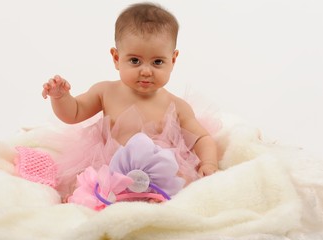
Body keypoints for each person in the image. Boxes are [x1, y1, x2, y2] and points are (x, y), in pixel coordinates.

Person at [42, 2, 219, 202]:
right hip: (111, 171)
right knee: (89, 182)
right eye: (135, 61)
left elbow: (202, 138)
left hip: (158, 177)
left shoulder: (176, 106)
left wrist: (209, 163)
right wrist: (61, 97)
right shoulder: (105, 91)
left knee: (181, 180)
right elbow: (73, 113)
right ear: (117, 58)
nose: (145, 70)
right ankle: (89, 198)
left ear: (173, 59)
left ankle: (157, 199)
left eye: (157, 62)